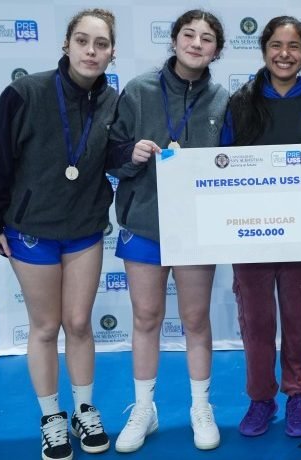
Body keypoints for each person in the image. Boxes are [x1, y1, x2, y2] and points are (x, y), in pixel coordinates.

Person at [0, 8, 117, 460]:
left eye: (101, 44)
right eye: (82, 41)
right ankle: (52, 417)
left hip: (84, 229)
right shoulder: (26, 92)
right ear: (66, 45)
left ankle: (85, 410)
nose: (91, 51)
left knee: (79, 323)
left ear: (112, 53)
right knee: (45, 326)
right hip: (31, 230)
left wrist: (139, 153)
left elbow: (113, 155)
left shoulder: (112, 100)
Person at [105, 9, 229, 453]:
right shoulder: (139, 90)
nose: (196, 43)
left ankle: (201, 406)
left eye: (207, 38)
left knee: (195, 319)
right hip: (144, 222)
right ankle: (144, 408)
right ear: (174, 40)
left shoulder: (222, 100)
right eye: (189, 35)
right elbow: (110, 155)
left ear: (217, 50)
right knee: (146, 318)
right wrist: (130, 153)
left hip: (197, 228)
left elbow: (231, 164)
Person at [220, 16, 301, 438]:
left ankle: (297, 396)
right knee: (257, 321)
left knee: (298, 318)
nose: (284, 54)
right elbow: (221, 165)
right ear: (263, 50)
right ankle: (261, 398)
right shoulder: (240, 102)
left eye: (294, 46)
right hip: (251, 232)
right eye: (276, 45)